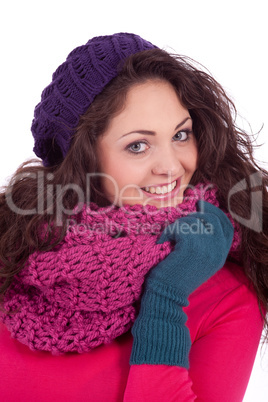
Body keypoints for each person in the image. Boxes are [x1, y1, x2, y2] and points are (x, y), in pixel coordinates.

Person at [0, 32, 267, 401]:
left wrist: (167, 296)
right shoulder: (16, 253)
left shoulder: (228, 293)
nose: (172, 166)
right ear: (84, 158)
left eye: (181, 134)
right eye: (138, 145)